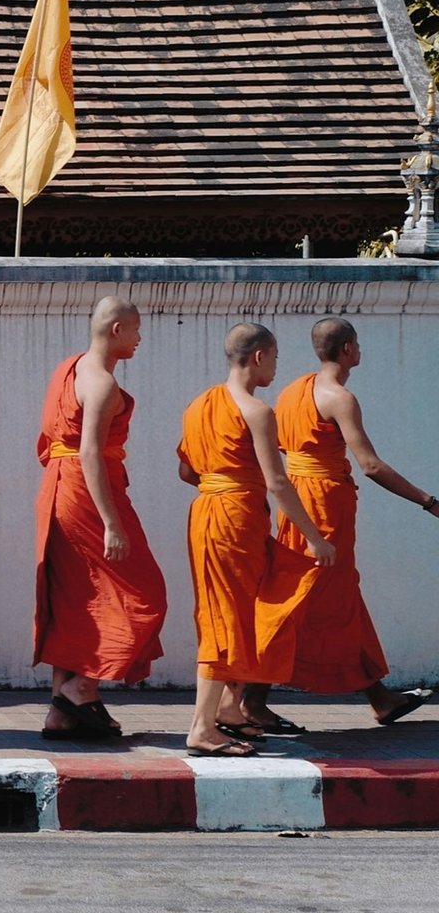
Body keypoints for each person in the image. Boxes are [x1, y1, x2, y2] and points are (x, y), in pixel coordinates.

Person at [247, 317, 433, 729]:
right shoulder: (339, 397)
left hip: (299, 497)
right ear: (348, 348)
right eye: (358, 343)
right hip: (324, 507)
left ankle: (379, 696)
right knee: (299, 597)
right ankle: (249, 695)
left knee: (341, 597)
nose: (360, 349)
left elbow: (283, 444)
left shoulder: (294, 390)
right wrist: (427, 501)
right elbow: (368, 464)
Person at [176, 323, 335, 757]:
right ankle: (201, 728)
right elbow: (278, 483)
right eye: (276, 357)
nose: (277, 366)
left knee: (249, 607)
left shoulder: (198, 406)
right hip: (234, 518)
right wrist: (315, 538)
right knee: (224, 617)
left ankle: (230, 709)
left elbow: (187, 471)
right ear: (259, 357)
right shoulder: (257, 411)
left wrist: (223, 485)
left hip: (209, 512)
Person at [33, 297, 169, 740]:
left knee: (75, 597)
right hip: (88, 490)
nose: (139, 339)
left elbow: (52, 437)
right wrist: (111, 522)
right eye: (135, 330)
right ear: (115, 330)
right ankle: (80, 687)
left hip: (58, 487)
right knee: (146, 593)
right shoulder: (103, 383)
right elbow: (89, 451)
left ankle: (61, 713)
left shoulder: (67, 367)